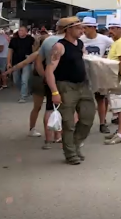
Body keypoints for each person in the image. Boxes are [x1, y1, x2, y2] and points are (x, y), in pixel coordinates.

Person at [44, 17, 94, 165]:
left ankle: (75, 145)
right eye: (79, 27)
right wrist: (54, 92)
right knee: (68, 123)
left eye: (82, 27)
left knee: (87, 118)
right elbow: (49, 71)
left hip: (83, 86)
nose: (82, 30)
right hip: (66, 87)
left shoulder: (80, 44)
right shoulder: (59, 47)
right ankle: (70, 153)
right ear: (68, 29)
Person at [5, 36, 49, 139]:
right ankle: (55, 132)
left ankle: (32, 129)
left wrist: (8, 71)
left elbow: (23, 63)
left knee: (37, 107)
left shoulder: (37, 53)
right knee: (52, 108)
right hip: (48, 81)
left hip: (38, 80)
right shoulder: (55, 52)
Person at [79, 17, 114, 134]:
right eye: (83, 27)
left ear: (94, 28)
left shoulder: (104, 39)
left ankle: (102, 123)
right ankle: (83, 123)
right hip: (84, 72)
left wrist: (108, 58)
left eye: (86, 27)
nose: (84, 30)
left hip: (99, 72)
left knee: (101, 99)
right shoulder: (80, 40)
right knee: (84, 100)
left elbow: (115, 48)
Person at [103, 19, 121, 144]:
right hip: (116, 78)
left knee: (120, 106)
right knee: (116, 106)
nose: (111, 31)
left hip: (119, 78)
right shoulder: (116, 42)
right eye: (110, 28)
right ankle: (119, 131)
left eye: (114, 28)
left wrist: (116, 78)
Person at [8, 25, 35, 103]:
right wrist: (8, 62)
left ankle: (23, 96)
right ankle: (25, 91)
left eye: (22, 30)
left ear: (26, 32)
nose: (20, 32)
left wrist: (32, 57)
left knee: (24, 79)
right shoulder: (14, 40)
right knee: (16, 80)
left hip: (27, 62)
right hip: (16, 62)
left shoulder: (30, 39)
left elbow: (35, 49)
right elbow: (10, 51)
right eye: (19, 30)